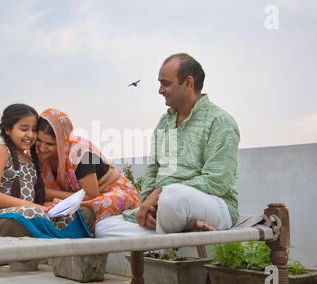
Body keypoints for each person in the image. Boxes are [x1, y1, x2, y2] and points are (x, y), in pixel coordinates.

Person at [97, 53, 240, 237]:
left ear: (188, 83)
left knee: (174, 199)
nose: (160, 90)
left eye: (166, 83)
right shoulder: (165, 122)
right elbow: (153, 168)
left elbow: (216, 181)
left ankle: (168, 228)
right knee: (104, 227)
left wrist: (161, 194)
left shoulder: (220, 121)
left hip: (213, 204)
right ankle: (174, 229)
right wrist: (147, 204)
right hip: (165, 207)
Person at [0, 104, 91, 238]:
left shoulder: (33, 160)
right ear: (7, 129)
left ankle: (51, 237)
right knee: (18, 221)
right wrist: (34, 207)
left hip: (29, 213)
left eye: (34, 129)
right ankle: (47, 236)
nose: (30, 135)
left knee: (84, 212)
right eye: (24, 129)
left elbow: (35, 200)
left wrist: (53, 206)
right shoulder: (0, 151)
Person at [36, 108, 141, 233]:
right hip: (77, 197)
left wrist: (50, 194)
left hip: (110, 192)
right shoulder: (40, 157)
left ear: (62, 142)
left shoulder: (81, 154)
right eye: (39, 141)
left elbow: (90, 195)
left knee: (105, 204)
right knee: (44, 205)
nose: (42, 148)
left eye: (50, 144)